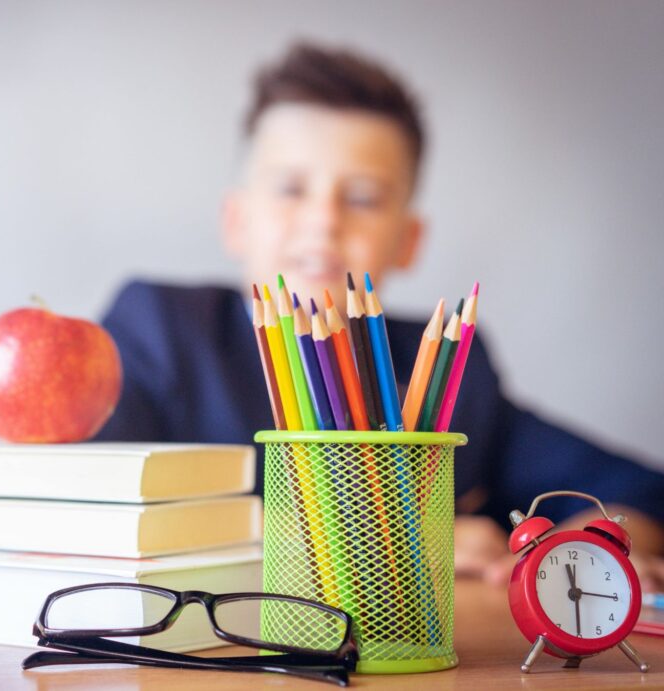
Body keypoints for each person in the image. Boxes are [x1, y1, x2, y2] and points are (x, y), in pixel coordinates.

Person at [94, 42, 664, 588]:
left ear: (408, 241)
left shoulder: (443, 365)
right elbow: (89, 504)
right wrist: (404, 543)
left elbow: (638, 490)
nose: (323, 220)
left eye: (363, 198)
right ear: (236, 221)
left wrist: (594, 545)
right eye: (291, 188)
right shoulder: (161, 328)